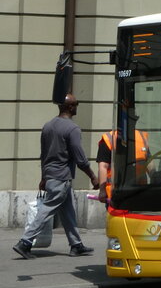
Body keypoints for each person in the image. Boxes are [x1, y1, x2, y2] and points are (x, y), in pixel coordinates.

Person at [14, 94, 100, 259]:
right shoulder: (72, 128)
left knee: (68, 212)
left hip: (52, 176)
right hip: (62, 177)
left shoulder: (48, 126)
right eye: (76, 104)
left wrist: (44, 177)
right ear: (70, 107)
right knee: (46, 210)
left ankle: (76, 245)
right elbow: (79, 157)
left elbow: (44, 155)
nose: (77, 107)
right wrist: (92, 176)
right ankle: (25, 242)